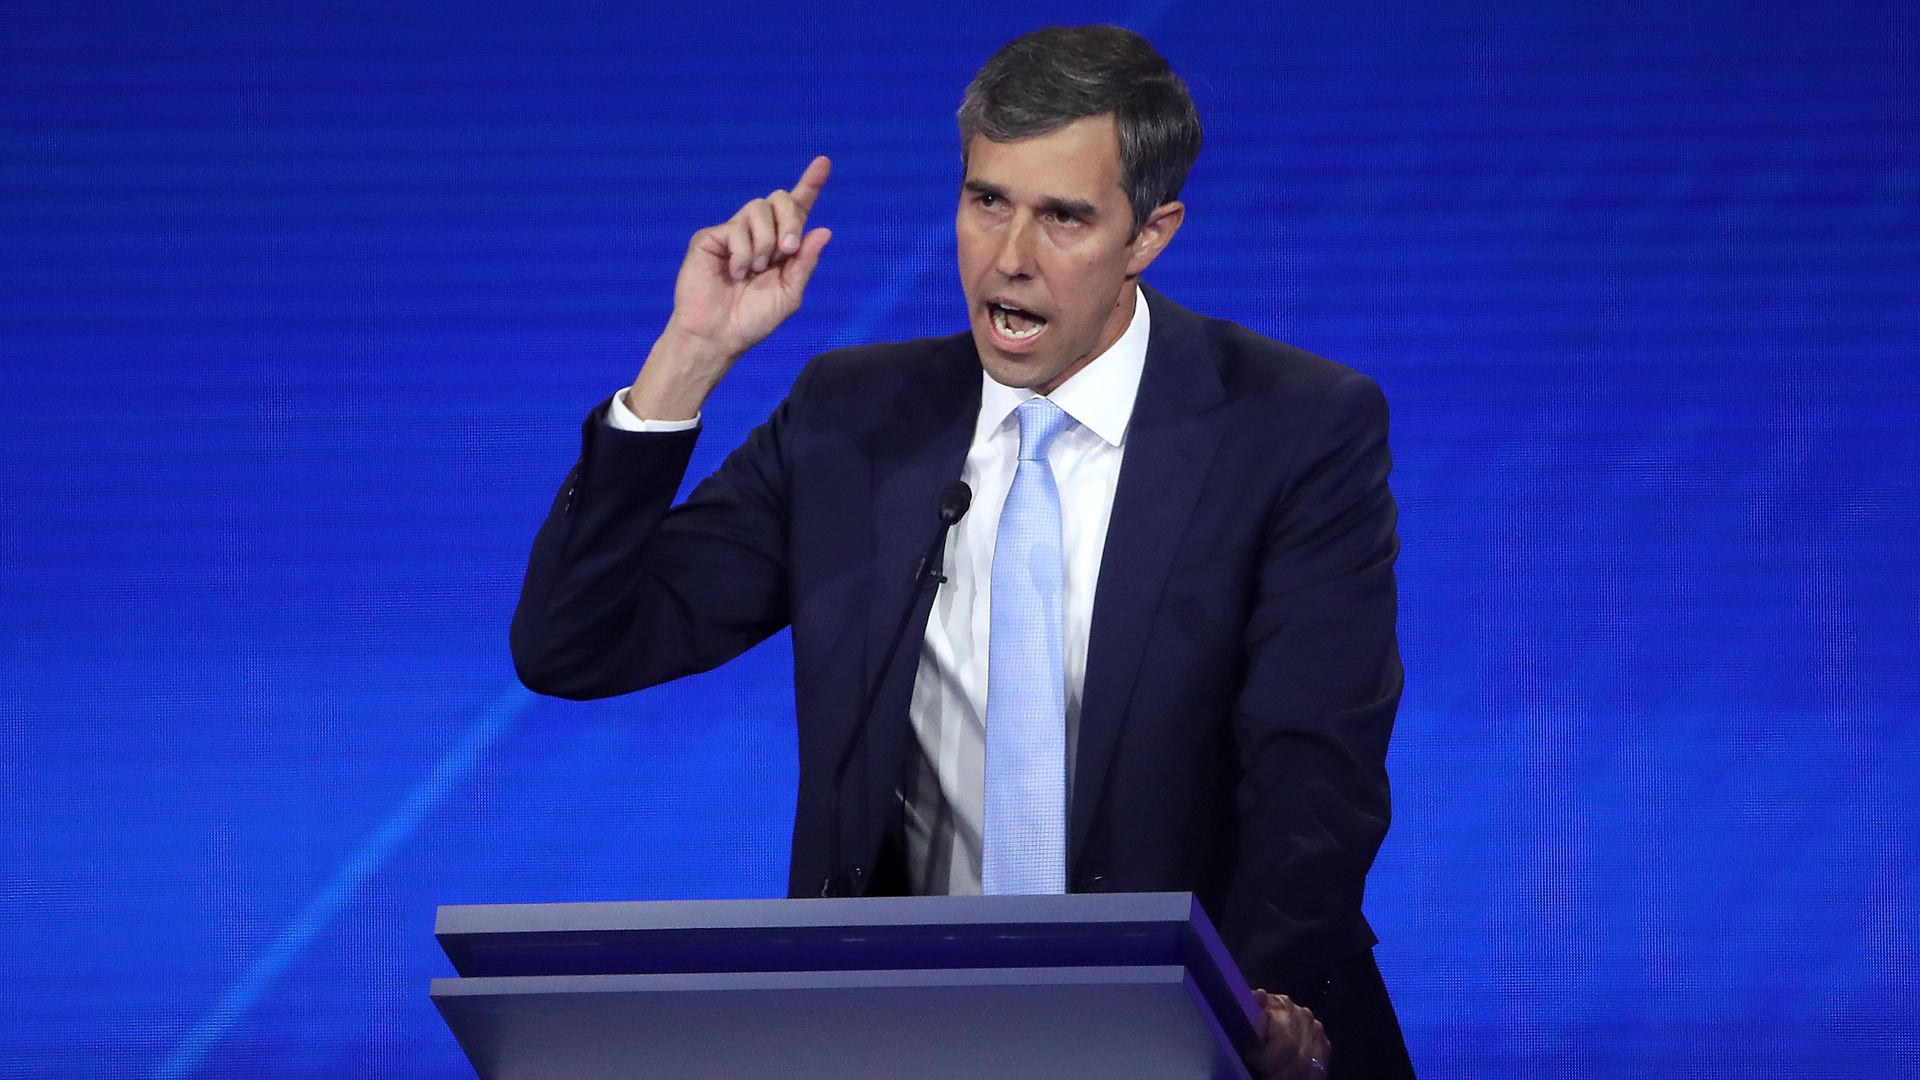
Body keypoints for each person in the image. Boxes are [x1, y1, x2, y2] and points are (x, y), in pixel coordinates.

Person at [511, 24, 1412, 1079]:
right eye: (987, 202)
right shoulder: (855, 418)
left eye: (1064, 217)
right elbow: (577, 645)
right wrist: (690, 358)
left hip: (1213, 1033)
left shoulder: (1293, 425)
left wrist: (1256, 1005)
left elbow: (1315, 771)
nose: (1009, 258)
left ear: (1150, 234)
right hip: (915, 1034)